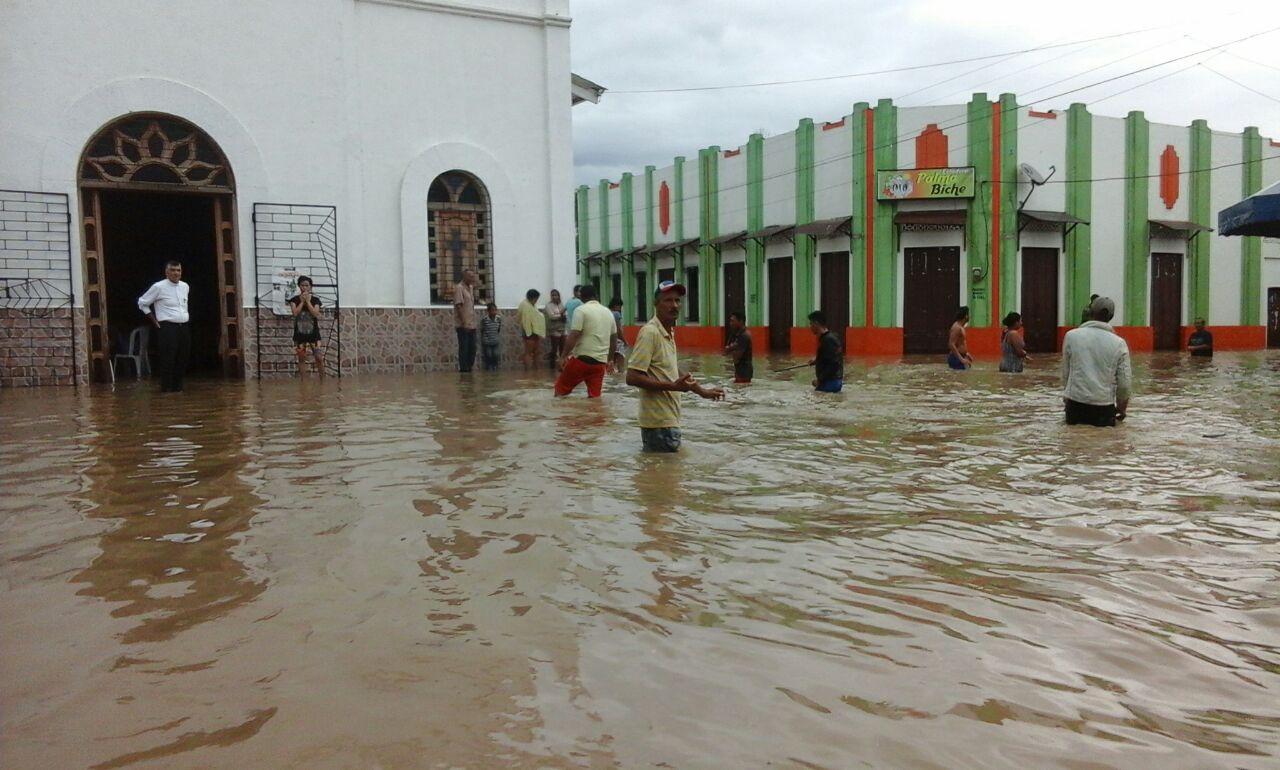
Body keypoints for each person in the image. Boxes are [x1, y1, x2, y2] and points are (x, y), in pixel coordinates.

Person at [626, 280, 723, 452]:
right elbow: (632, 377)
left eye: (677, 301)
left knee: (665, 476)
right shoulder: (650, 332)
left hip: (669, 421)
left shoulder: (668, 331)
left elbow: (671, 368)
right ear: (656, 304)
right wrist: (672, 386)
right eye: (668, 300)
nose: (675, 305)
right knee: (666, 477)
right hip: (658, 424)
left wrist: (702, 391)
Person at [1062, 296, 1132, 427]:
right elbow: (1125, 384)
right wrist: (1122, 408)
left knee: (1072, 444)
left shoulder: (1071, 336)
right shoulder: (1119, 343)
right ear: (1111, 317)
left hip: (1075, 405)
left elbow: (1066, 374)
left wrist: (1067, 399)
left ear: (1091, 312)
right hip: (1104, 408)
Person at [553, 284, 615, 398]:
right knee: (595, 398)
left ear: (581, 298)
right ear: (596, 296)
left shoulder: (581, 310)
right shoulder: (608, 312)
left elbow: (574, 334)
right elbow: (614, 338)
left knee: (560, 391)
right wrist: (610, 360)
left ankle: (561, 415)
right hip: (599, 365)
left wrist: (563, 356)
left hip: (581, 361)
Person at [137, 260, 190, 393]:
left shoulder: (185, 286)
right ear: (166, 272)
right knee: (168, 358)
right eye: (172, 270)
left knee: (182, 357)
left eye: (178, 270)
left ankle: (178, 389)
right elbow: (142, 303)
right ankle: (166, 390)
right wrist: (154, 320)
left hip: (183, 326)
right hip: (167, 327)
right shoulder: (158, 287)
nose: (175, 273)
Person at [289, 275, 325, 377]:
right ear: (299, 286)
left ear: (310, 287)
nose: (304, 288)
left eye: (307, 285)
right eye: (302, 285)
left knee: (319, 357)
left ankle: (323, 380)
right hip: (300, 334)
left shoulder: (315, 300)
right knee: (301, 358)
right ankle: (303, 382)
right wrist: (302, 302)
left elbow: (315, 313)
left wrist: (308, 302)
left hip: (314, 334)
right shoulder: (294, 300)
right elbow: (295, 313)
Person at [808, 310, 844, 392]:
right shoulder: (831, 337)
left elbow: (834, 364)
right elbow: (831, 358)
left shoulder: (827, 340)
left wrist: (820, 380)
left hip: (830, 382)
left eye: (811, 324)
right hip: (833, 382)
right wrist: (817, 361)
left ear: (816, 323)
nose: (810, 327)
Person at [453, 269, 478, 373]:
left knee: (473, 348)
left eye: (473, 276)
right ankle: (464, 369)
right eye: (470, 277)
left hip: (472, 323)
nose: (472, 279)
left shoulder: (471, 288)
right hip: (463, 324)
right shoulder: (459, 288)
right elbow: (458, 305)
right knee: (464, 348)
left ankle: (469, 367)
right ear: (464, 276)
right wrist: (464, 322)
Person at [517, 288, 545, 369]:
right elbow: (525, 319)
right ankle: (528, 373)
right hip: (528, 331)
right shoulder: (525, 305)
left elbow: (536, 316)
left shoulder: (533, 305)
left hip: (535, 331)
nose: (537, 300)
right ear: (533, 297)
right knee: (528, 352)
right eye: (536, 299)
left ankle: (536, 371)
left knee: (537, 352)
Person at [724, 310, 753, 384]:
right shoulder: (738, 335)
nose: (731, 324)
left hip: (744, 371)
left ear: (741, 321)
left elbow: (737, 358)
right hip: (742, 370)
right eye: (730, 321)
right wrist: (733, 347)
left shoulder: (744, 336)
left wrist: (731, 348)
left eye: (733, 321)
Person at [544, 289, 567, 367]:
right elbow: (551, 316)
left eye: (556, 295)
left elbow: (565, 314)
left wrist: (561, 316)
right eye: (553, 295)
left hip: (563, 328)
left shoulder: (562, 304)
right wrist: (560, 316)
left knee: (563, 348)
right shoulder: (548, 305)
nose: (554, 297)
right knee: (554, 348)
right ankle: (552, 365)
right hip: (554, 329)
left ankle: (562, 364)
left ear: (559, 296)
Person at [479, 302, 503, 370]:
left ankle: (495, 366)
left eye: (495, 310)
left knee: (495, 355)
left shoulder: (498, 319)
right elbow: (483, 329)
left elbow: (498, 329)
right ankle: (489, 367)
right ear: (488, 311)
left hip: (495, 341)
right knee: (489, 355)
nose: (494, 312)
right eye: (492, 310)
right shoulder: (485, 319)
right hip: (487, 342)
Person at [608, 296, 627, 372]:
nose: (620, 309)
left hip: (609, 340)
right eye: (620, 306)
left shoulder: (607, 312)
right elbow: (618, 330)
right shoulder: (616, 314)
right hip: (618, 341)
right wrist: (625, 341)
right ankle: (621, 381)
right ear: (616, 305)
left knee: (611, 362)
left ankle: (612, 381)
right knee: (621, 366)